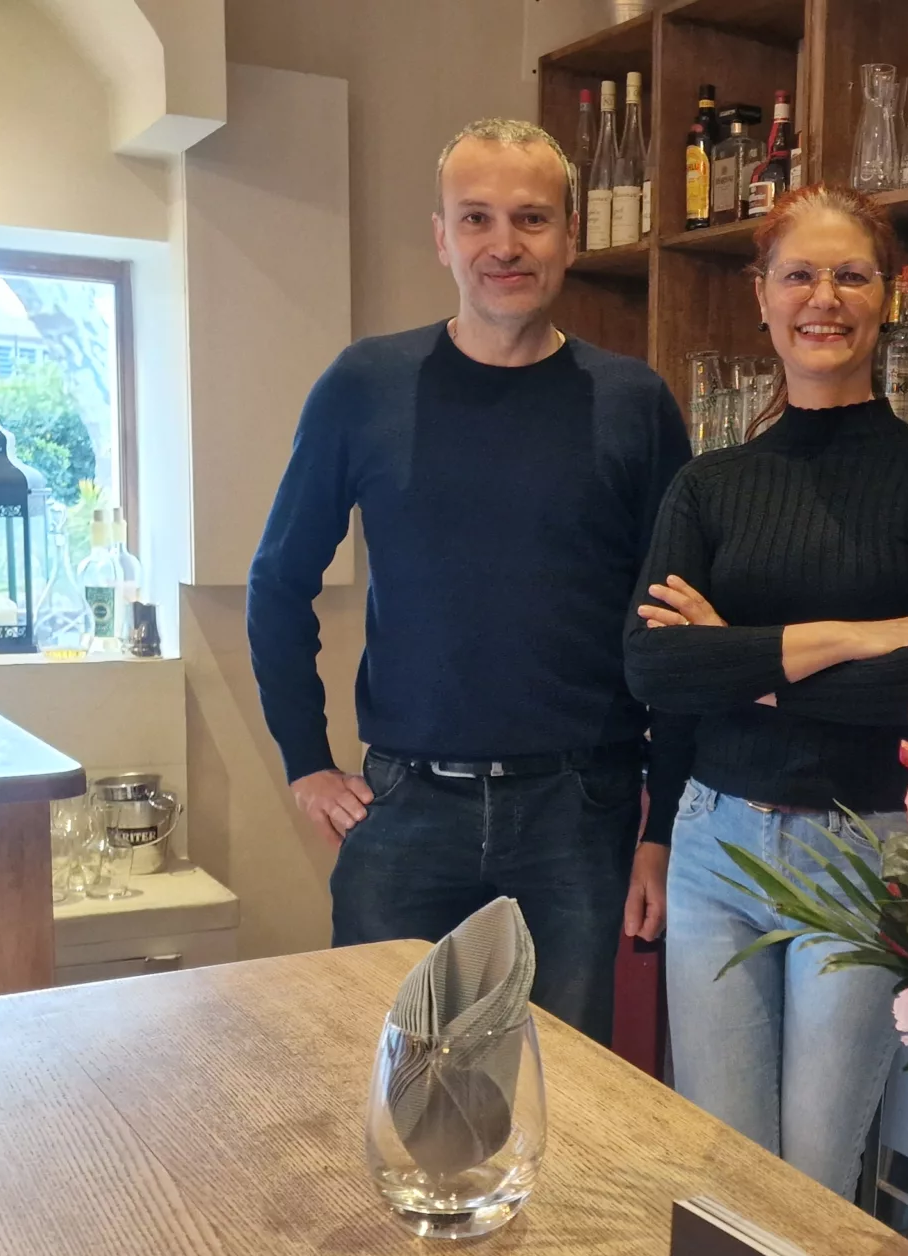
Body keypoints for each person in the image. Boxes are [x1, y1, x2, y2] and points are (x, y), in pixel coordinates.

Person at [248, 118, 691, 1045]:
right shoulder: (365, 385)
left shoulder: (635, 404)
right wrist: (305, 763)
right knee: (381, 1082)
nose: (505, 245)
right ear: (442, 237)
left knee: (567, 1095)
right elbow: (279, 578)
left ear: (570, 237)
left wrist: (662, 821)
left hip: (582, 806)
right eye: (477, 218)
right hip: (408, 806)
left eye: (532, 218)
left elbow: (675, 628)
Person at [623, 187, 908, 1195]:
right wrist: (848, 639)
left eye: (850, 274)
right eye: (798, 274)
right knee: (722, 1170)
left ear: (887, 299)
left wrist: (744, 666)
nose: (822, 298)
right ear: (761, 296)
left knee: (818, 1173)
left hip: (865, 846)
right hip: (713, 845)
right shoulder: (708, 484)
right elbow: (656, 669)